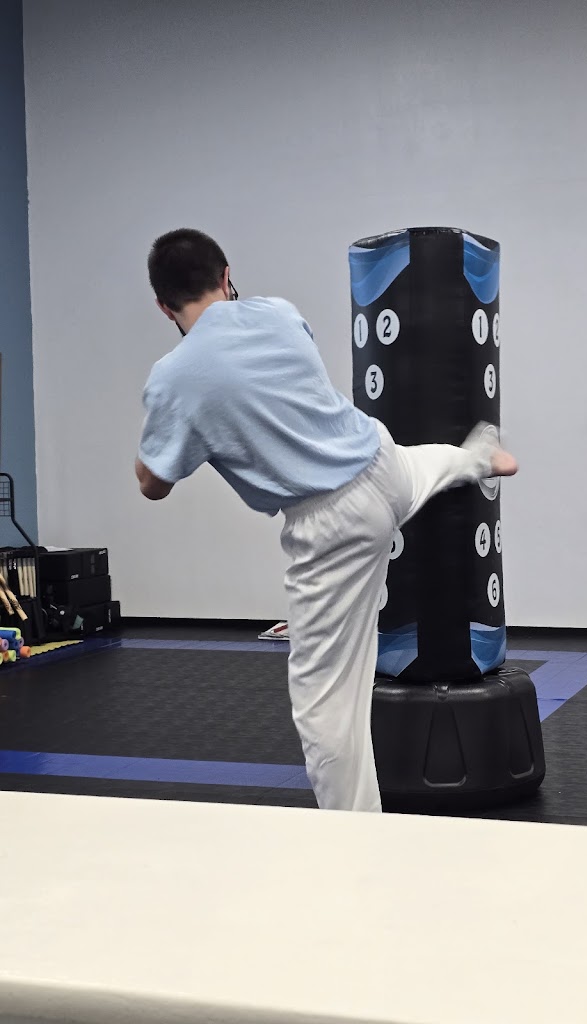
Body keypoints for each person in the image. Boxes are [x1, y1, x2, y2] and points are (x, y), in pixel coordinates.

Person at [136, 228, 518, 813]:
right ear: (226, 275)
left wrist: (171, 427)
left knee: (325, 707)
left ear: (163, 306)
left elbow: (152, 485)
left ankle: (354, 837)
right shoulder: (279, 313)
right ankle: (477, 456)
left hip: (333, 524)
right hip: (379, 459)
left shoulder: (173, 377)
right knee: (425, 467)